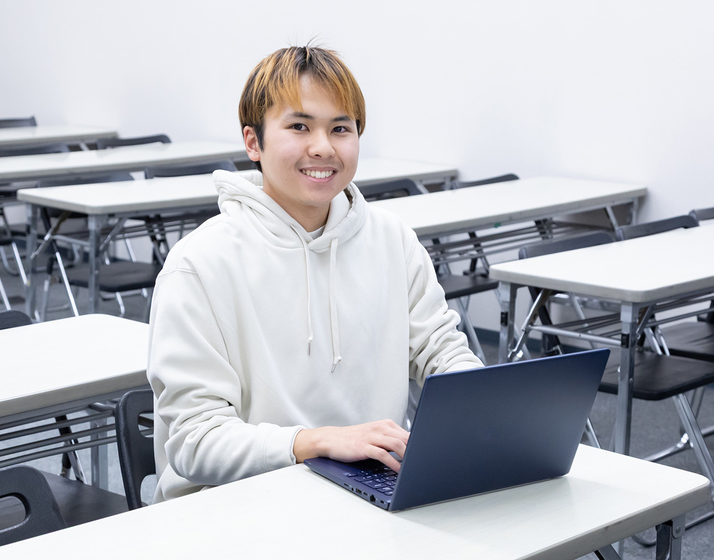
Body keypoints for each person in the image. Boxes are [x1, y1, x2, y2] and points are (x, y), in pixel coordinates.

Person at [147, 45, 483, 502]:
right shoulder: (199, 264)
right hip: (237, 508)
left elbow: (443, 354)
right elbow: (195, 441)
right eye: (299, 126)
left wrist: (483, 410)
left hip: (366, 494)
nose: (323, 147)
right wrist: (315, 442)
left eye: (341, 128)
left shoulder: (393, 241)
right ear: (253, 143)